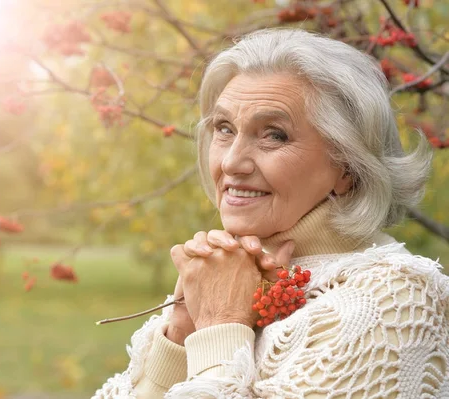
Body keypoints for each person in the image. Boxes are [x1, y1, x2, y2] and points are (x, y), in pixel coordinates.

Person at [93, 28, 449, 398]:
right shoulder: (230, 275)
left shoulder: (398, 300)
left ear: (347, 167)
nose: (231, 162)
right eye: (224, 128)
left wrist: (220, 325)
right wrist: (182, 335)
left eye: (273, 135)